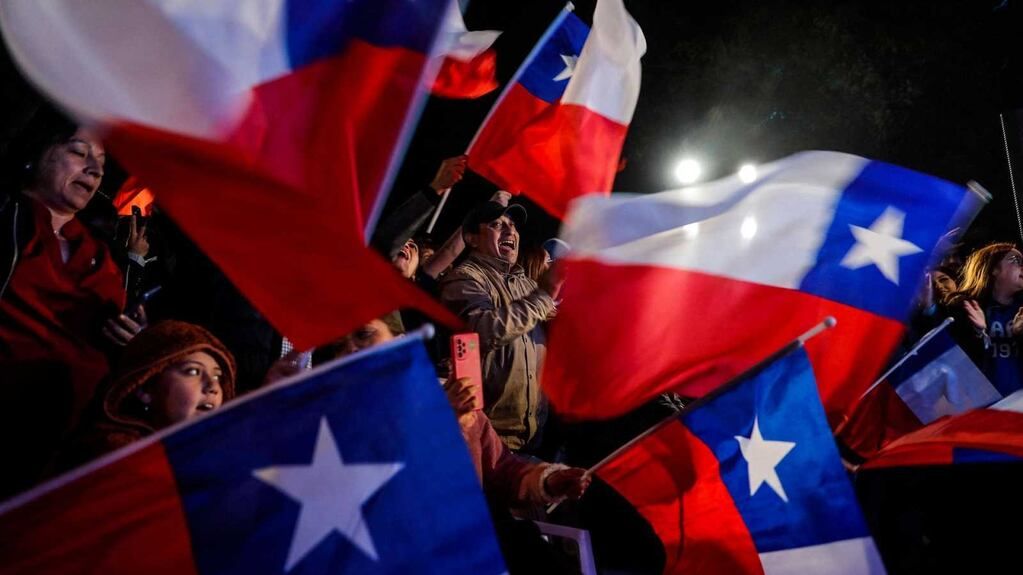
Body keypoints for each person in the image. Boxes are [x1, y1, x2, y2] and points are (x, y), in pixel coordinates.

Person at [0, 106, 144, 497]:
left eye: (100, 162)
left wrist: (130, 340)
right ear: (37, 152)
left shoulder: (100, 258)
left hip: (71, 452)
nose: (95, 171)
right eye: (79, 153)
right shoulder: (5, 219)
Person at [440, 200, 563, 452]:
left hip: (531, 439)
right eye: (497, 225)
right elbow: (482, 330)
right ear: (472, 238)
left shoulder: (527, 285)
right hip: (484, 442)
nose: (510, 232)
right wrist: (544, 295)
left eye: (513, 225)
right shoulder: (464, 278)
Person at [61, 320, 236, 468]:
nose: (212, 386)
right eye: (192, 372)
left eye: (217, 376)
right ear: (145, 388)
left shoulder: (220, 456)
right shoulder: (117, 456)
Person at [946, 243, 1023, 396]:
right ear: (993, 269)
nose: (1022, 266)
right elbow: (952, 366)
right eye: (1015, 260)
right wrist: (979, 334)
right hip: (983, 406)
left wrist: (1020, 336)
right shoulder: (963, 309)